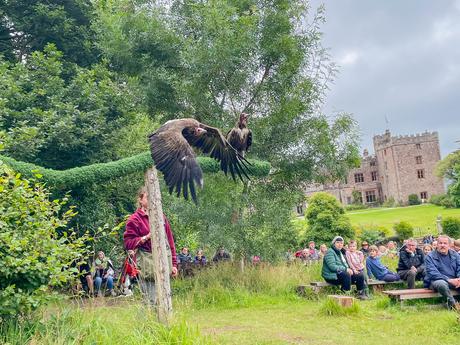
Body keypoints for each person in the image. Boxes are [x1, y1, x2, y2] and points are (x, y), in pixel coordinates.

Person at [123, 188, 178, 305]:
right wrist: (146, 237)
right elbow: (128, 243)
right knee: (149, 301)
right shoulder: (134, 219)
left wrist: (173, 264)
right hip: (147, 265)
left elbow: (170, 241)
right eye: (148, 197)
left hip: (163, 262)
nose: (152, 200)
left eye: (154, 197)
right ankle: (147, 323)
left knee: (164, 299)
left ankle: (165, 323)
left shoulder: (161, 216)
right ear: (140, 200)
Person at [424, 235, 460, 310]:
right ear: (437, 244)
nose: (442, 245)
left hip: (454, 280)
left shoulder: (455, 255)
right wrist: (449, 280)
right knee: (442, 284)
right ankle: (454, 306)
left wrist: (459, 279)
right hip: (436, 280)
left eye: (445, 243)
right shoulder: (430, 256)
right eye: (440, 243)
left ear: (449, 245)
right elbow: (432, 273)